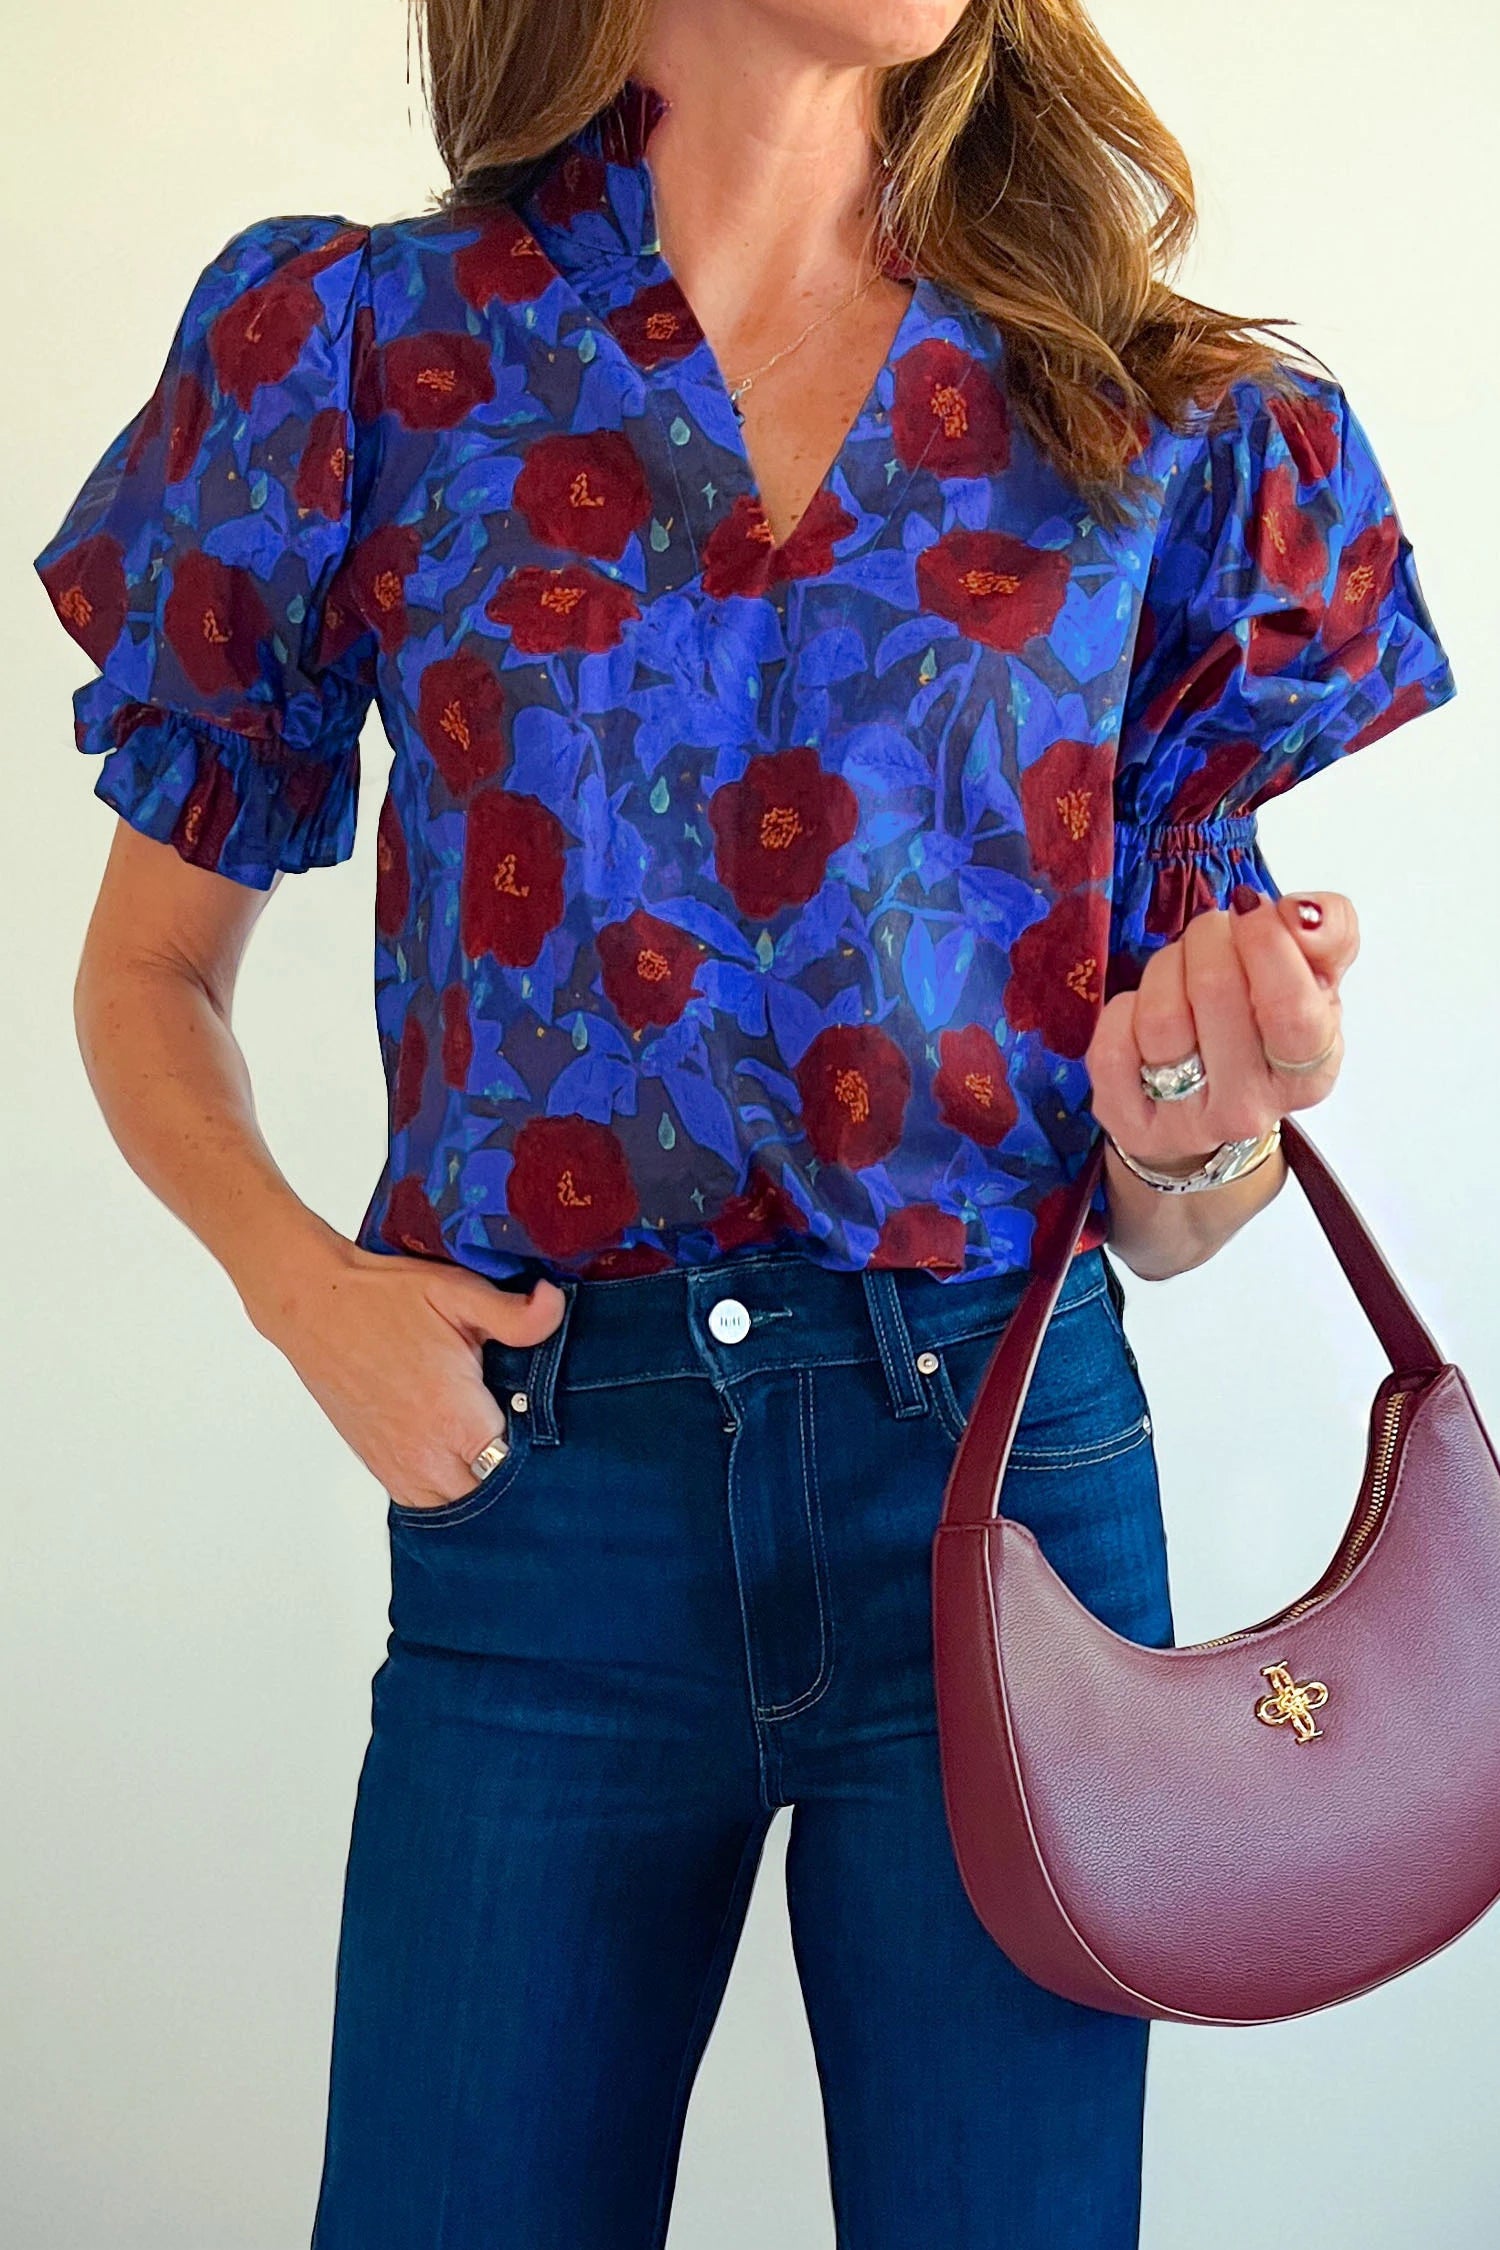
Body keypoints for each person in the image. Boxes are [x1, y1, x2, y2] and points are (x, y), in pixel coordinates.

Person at [32, 1, 1456, 2243]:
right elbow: (144, 978)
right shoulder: (370, 353)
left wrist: (1204, 1112)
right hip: (544, 1508)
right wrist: (307, 1293)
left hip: (996, 1489)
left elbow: (1176, 1206)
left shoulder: (1134, 413)